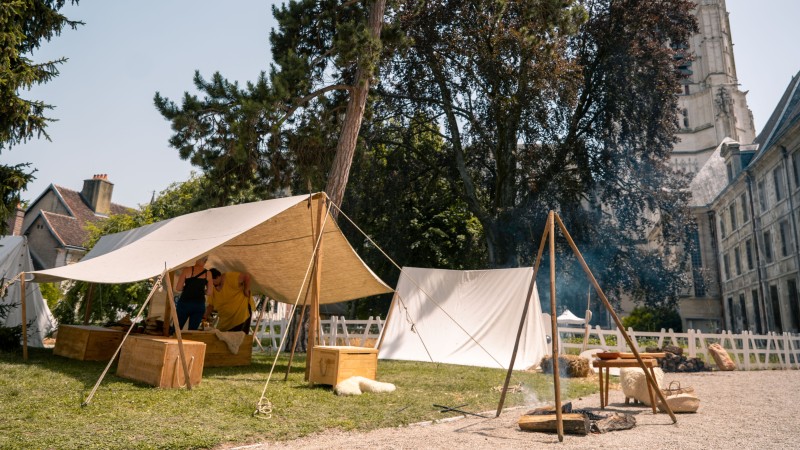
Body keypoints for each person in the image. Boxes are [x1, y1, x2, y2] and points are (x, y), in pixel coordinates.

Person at [175, 257, 212, 330]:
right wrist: (200, 291)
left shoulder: (187, 270)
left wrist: (188, 289)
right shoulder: (208, 273)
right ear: (206, 261)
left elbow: (178, 288)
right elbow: (209, 292)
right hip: (199, 304)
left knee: (177, 329)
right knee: (192, 331)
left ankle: (173, 340)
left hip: (184, 302)